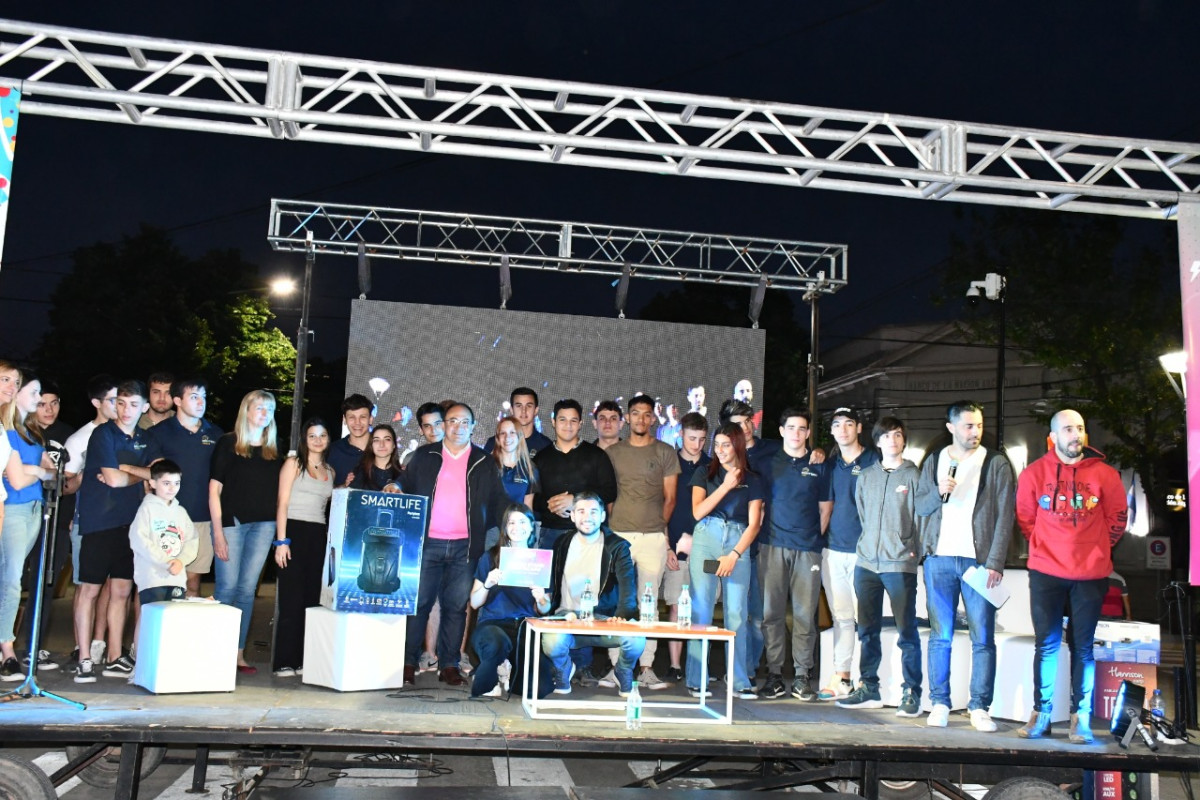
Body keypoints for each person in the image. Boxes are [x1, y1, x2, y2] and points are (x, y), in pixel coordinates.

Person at [1015, 409, 1127, 744]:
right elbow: (1026, 518)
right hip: (1046, 571)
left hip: (1090, 574)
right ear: (1053, 437)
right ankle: (1042, 713)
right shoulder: (1034, 473)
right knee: (1047, 645)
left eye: (1079, 428)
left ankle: (1081, 718)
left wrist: (1096, 547)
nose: (1075, 434)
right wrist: (1046, 546)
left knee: (1083, 648)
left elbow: (1118, 517)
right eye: (1067, 429)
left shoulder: (1105, 474)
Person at [915, 400, 1014, 733]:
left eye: (979, 425)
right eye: (969, 425)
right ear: (951, 428)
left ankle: (979, 706)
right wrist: (938, 491)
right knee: (940, 636)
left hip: (978, 561)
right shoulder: (934, 460)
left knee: (982, 637)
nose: (975, 431)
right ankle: (939, 702)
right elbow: (921, 505)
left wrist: (996, 561)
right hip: (939, 559)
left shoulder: (995, 463)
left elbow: (1005, 515)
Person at [401, 402, 509, 687]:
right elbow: (404, 483)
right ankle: (407, 663)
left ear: (473, 426)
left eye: (464, 422)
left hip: (465, 547)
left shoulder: (484, 461)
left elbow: (499, 501)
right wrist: (394, 486)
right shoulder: (425, 455)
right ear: (443, 425)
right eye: (452, 421)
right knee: (419, 604)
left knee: (456, 607)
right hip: (428, 543)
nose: (458, 427)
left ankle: (449, 664)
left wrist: (516, 521)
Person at [836, 417, 923, 716]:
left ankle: (912, 692)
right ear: (877, 441)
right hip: (866, 564)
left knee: (906, 631)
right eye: (886, 436)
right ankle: (869, 688)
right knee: (867, 631)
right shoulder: (866, 476)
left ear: (904, 440)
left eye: (898, 435)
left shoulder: (914, 476)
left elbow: (921, 518)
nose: (893, 440)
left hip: (899, 564)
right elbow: (862, 513)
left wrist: (911, 550)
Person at [72, 379, 151, 682]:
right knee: (90, 590)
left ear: (144, 407)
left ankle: (115, 656)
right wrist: (138, 475)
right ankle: (84, 658)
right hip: (99, 522)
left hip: (130, 524)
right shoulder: (102, 434)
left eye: (133, 404)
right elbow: (114, 480)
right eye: (121, 403)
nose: (126, 410)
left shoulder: (145, 438)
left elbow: (158, 472)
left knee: (121, 591)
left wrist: (127, 470)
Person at [603, 395, 680, 691]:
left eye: (647, 414)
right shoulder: (614, 453)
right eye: (635, 413)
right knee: (620, 602)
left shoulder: (665, 451)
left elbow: (670, 498)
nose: (641, 419)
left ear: (653, 419)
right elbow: (609, 497)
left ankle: (646, 668)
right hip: (619, 536)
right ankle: (617, 668)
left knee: (648, 604)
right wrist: (614, 528)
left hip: (653, 538)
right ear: (628, 417)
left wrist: (657, 527)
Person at [686, 422, 763, 699]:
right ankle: (697, 679)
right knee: (701, 611)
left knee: (737, 614)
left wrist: (734, 555)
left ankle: (739, 680)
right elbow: (697, 512)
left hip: (737, 543)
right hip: (706, 539)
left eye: (726, 444)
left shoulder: (753, 478)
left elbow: (755, 524)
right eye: (716, 444)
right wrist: (726, 486)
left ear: (737, 446)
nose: (720, 450)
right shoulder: (704, 472)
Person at [759, 408, 831, 701]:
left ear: (808, 433)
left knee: (804, 615)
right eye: (791, 428)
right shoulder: (767, 462)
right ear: (781, 431)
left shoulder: (819, 465)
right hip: (771, 546)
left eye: (802, 428)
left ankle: (802, 676)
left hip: (807, 550)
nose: (796, 433)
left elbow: (825, 509)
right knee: (771, 614)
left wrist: (810, 539)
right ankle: (775, 675)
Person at [542, 491, 645, 696]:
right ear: (572, 516)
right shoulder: (561, 543)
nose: (587, 517)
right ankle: (564, 667)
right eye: (581, 511)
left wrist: (623, 616)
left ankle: (622, 670)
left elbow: (628, 587)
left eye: (593, 512)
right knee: (551, 643)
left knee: (636, 640)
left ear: (603, 516)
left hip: (603, 619)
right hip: (567, 618)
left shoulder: (618, 546)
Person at [209, 389, 282, 675]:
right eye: (260, 407)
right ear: (246, 410)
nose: (265, 413)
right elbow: (214, 490)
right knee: (226, 588)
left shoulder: (275, 449)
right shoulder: (228, 442)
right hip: (233, 524)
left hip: (264, 526)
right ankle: (217, 652)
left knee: (247, 591)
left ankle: (238, 655)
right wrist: (217, 532)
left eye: (270, 409)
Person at [819, 407, 879, 701]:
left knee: (865, 619)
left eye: (848, 424)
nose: (842, 430)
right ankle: (842, 678)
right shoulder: (829, 465)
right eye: (837, 425)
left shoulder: (874, 461)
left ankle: (869, 682)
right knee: (842, 618)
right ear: (831, 431)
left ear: (858, 428)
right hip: (832, 551)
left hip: (864, 554)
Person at [144, 376, 222, 598]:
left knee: (192, 583)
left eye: (203, 397)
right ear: (177, 400)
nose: (201, 402)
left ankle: (187, 623)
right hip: (167, 520)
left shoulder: (216, 434)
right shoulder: (158, 433)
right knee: (161, 585)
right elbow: (152, 475)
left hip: (202, 519)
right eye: (194, 397)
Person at [1, 369, 54, 680]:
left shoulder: (30, 432)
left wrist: (35, 470)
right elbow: (18, 479)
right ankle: (7, 650)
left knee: (11, 578)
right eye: (33, 392)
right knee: (10, 579)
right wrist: (38, 471)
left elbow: (49, 472)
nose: (38, 398)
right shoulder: (7, 431)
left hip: (34, 508)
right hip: (13, 509)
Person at [468, 503, 554, 698]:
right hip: (493, 624)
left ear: (532, 527)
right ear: (505, 528)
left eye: (522, 522)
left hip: (525, 627)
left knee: (537, 689)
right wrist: (487, 584)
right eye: (511, 522)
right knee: (496, 643)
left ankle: (508, 669)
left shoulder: (540, 560)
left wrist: (541, 599)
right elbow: (474, 603)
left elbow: (545, 609)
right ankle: (490, 673)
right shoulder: (491, 557)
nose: (517, 527)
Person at [62, 374, 117, 670]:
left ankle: (99, 643)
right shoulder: (79, 439)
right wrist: (85, 473)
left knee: (112, 585)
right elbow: (66, 486)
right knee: (86, 585)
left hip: (119, 521)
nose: (119, 406)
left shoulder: (125, 434)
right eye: (113, 400)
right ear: (96, 402)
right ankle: (79, 647)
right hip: (88, 521)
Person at [272, 417, 335, 677]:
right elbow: (282, 504)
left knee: (312, 599)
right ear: (304, 439)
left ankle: (303, 660)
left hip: (318, 535)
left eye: (322, 435)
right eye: (312, 435)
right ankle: (283, 661)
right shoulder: (293, 464)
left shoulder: (330, 471)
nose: (317, 440)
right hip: (292, 533)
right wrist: (282, 542)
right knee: (291, 599)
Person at [533, 399, 618, 551]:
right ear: (553, 422)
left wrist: (576, 500)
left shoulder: (597, 455)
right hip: (551, 534)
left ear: (580, 424)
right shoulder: (541, 458)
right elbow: (533, 499)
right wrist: (550, 504)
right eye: (562, 420)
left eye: (573, 420)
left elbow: (610, 492)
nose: (568, 425)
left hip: (589, 532)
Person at [662, 411, 709, 683]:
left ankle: (698, 666)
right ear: (680, 434)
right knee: (676, 606)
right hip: (675, 546)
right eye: (692, 438)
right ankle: (675, 665)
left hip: (704, 549)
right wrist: (668, 546)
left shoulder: (712, 465)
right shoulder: (670, 464)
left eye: (702, 439)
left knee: (702, 608)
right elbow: (661, 506)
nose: (697, 444)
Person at [128, 459, 196, 605]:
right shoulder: (147, 509)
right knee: (154, 617)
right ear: (152, 483)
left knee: (173, 618)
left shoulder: (181, 512)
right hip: (153, 580)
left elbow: (192, 540)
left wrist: (181, 561)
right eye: (166, 483)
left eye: (176, 483)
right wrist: (166, 562)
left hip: (177, 579)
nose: (172, 488)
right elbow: (139, 540)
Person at [484, 388, 552, 457]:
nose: (523, 410)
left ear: (536, 410)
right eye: (519, 406)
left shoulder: (546, 446)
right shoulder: (495, 444)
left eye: (529, 406)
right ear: (511, 410)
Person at [328, 394, 372, 486]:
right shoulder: (333, 451)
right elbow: (323, 490)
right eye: (352, 417)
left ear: (370, 419)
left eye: (362, 417)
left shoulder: (382, 448)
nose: (357, 422)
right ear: (344, 419)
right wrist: (343, 486)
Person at [348, 424, 402, 492]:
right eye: (376, 440)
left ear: (394, 444)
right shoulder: (359, 473)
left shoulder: (403, 477)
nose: (381, 444)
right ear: (371, 445)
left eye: (387, 439)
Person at [401, 401, 444, 468]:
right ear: (421, 430)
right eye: (427, 426)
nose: (433, 430)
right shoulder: (411, 459)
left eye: (437, 424)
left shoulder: (459, 455)